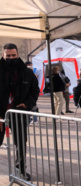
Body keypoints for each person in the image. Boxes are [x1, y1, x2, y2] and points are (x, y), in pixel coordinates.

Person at [0, 43, 39, 181]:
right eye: (8, 56)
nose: (11, 58)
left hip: (19, 113)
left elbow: (35, 90)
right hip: (0, 115)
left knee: (20, 143)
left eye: (13, 55)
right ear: (3, 55)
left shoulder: (27, 72)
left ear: (18, 55)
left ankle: (20, 169)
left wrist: (27, 103)